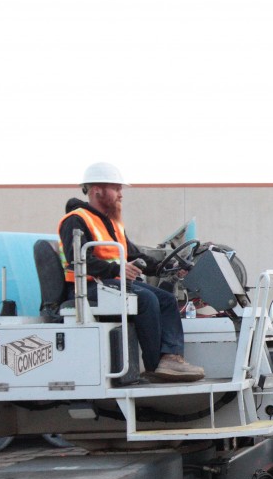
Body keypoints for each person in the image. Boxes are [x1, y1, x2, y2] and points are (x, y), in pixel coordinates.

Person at [58, 162, 203, 383]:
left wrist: (169, 266)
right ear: (97, 190)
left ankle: (171, 358)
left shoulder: (112, 223)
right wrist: (117, 268)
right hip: (87, 288)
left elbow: (134, 255)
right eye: (116, 188)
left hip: (111, 285)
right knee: (145, 299)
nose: (121, 195)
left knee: (165, 299)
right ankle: (155, 366)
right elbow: (77, 259)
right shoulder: (75, 220)